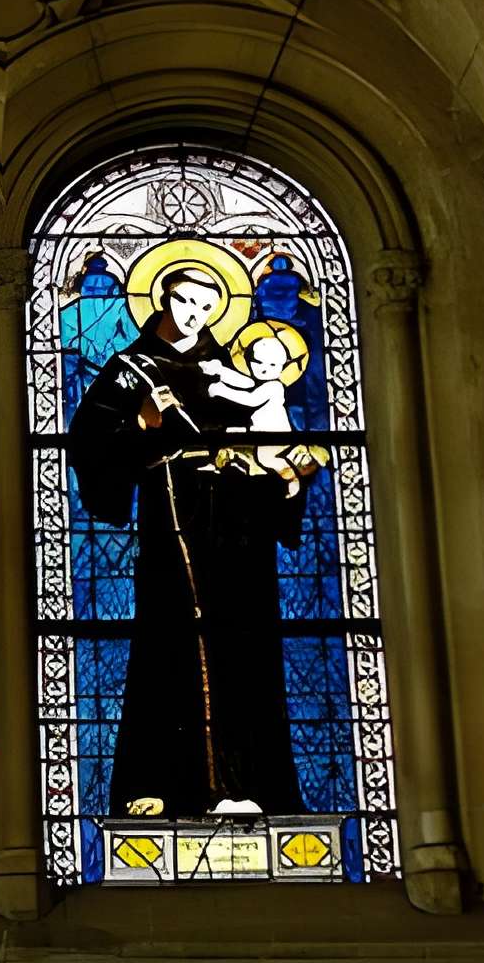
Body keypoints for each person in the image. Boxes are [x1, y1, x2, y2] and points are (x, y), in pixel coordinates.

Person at [65, 256, 310, 821]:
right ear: (161, 303)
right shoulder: (131, 369)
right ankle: (167, 785)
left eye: (206, 306)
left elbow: (265, 437)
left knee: (245, 647)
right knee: (175, 640)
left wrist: (288, 483)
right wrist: (143, 427)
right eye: (183, 302)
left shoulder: (231, 367)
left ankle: (247, 785)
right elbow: (90, 440)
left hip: (238, 523)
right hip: (174, 517)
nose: (194, 314)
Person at [202, 327, 309, 493]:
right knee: (236, 439)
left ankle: (291, 479)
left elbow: (251, 400)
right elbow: (242, 382)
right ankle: (215, 460)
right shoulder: (257, 382)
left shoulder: (275, 386)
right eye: (257, 362)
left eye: (272, 364)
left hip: (274, 433)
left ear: (282, 367)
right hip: (259, 431)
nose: (264, 368)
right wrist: (220, 370)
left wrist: (221, 390)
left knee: (265, 458)